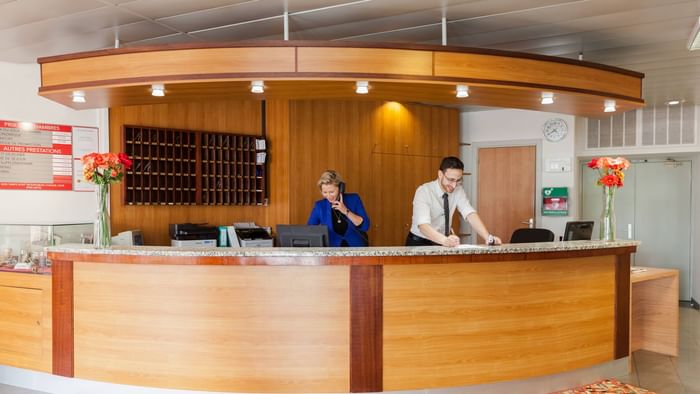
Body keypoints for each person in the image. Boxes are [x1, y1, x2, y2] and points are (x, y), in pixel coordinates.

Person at [406, 156, 502, 247]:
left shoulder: (458, 190)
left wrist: (488, 237)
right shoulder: (424, 191)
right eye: (451, 180)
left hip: (443, 243)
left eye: (458, 180)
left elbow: (469, 213)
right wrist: (445, 240)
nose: (454, 185)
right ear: (440, 174)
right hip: (419, 243)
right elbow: (423, 226)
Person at [307, 170, 370, 247]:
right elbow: (309, 231)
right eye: (325, 192)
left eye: (331, 192)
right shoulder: (320, 206)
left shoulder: (354, 199)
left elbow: (365, 226)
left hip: (355, 249)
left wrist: (346, 211)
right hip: (332, 251)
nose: (329, 196)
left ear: (340, 188)